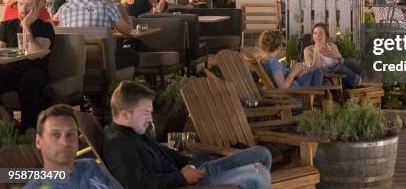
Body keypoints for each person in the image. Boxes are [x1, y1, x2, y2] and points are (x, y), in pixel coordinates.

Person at [104, 81, 271, 189]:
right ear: (125, 114)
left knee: (262, 154)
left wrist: (188, 164)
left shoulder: (134, 131)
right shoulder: (118, 144)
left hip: (189, 173)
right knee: (258, 176)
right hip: (184, 184)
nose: (150, 118)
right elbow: (138, 183)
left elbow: (164, 152)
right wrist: (181, 178)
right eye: (146, 112)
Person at [23, 104, 123, 189]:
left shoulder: (92, 166)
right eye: (55, 135)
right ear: (38, 141)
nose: (65, 142)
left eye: (70, 134)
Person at [0, 0, 54, 130]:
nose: (23, 9)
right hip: (9, 69)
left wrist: (26, 26)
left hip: (34, 69)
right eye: (20, 4)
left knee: (30, 82)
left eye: (28, 5)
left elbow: (36, 53)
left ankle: (29, 134)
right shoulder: (6, 26)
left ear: (38, 6)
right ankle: (8, 123)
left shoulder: (45, 27)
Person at [58, 0, 138, 69]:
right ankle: (118, 82)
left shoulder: (63, 9)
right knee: (133, 55)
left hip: (75, 63)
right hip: (103, 62)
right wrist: (117, 3)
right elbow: (127, 30)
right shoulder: (106, 6)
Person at [303, 23, 362, 88]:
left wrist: (335, 55)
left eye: (321, 33)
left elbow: (341, 60)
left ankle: (355, 82)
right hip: (325, 73)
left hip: (339, 70)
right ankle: (356, 81)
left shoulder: (332, 46)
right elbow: (314, 69)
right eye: (315, 33)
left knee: (349, 62)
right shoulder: (308, 50)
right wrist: (316, 51)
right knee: (340, 68)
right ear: (312, 36)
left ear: (326, 35)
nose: (318, 36)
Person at [258, 30, 324, 89]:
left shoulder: (263, 61)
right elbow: (283, 87)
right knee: (318, 71)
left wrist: (293, 72)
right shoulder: (273, 62)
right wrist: (293, 72)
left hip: (293, 85)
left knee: (320, 75)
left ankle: (314, 97)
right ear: (279, 47)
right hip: (293, 91)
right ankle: (314, 98)